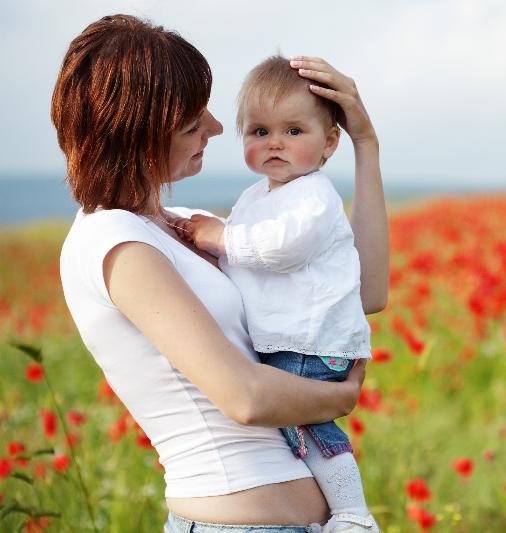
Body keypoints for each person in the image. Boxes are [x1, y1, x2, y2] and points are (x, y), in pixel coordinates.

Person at [52, 14, 388, 533]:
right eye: (192, 121)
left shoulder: (189, 225)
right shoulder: (112, 242)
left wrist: (365, 144)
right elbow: (245, 398)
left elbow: (364, 288)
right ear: (139, 134)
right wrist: (340, 396)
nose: (214, 128)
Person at [172, 55, 378, 532]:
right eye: (259, 132)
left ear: (330, 143)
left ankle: (353, 513)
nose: (275, 144)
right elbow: (245, 259)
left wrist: (221, 237)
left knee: (306, 426)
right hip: (287, 340)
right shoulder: (256, 197)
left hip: (311, 341)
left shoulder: (314, 194)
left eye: (293, 131)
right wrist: (212, 246)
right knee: (293, 434)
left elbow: (282, 247)